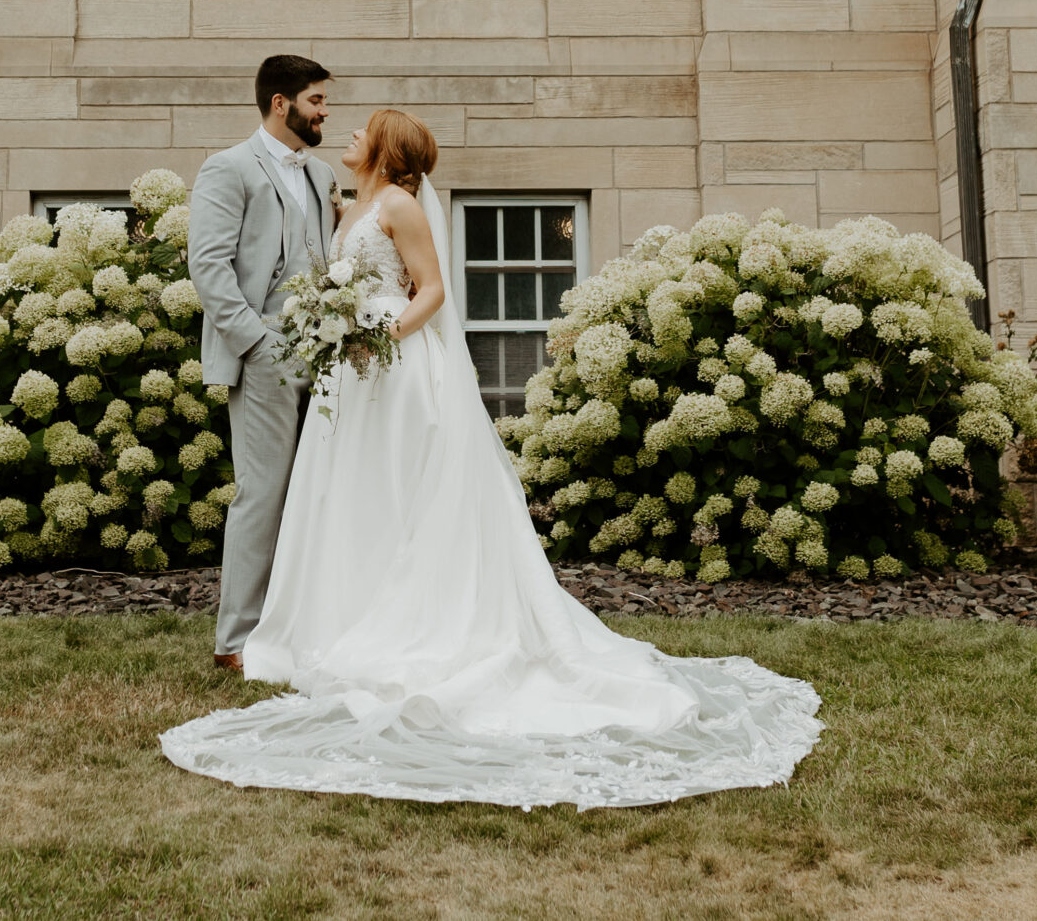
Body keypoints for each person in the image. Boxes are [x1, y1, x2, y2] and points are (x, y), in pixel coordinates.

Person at [162, 107, 822, 809]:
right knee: (351, 499)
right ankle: (341, 615)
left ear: (385, 149)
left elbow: (434, 290)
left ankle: (412, 625)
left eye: (364, 130)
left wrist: (376, 337)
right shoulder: (348, 204)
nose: (348, 133)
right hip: (349, 378)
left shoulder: (401, 205)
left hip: (392, 368)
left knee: (401, 492)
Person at [185, 54, 337, 672]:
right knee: (264, 493)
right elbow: (209, 267)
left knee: (320, 492)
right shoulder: (228, 168)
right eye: (317, 100)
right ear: (282, 103)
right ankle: (237, 644)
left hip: (325, 352)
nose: (325, 111)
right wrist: (256, 342)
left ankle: (301, 625)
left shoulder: (323, 173)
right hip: (264, 351)